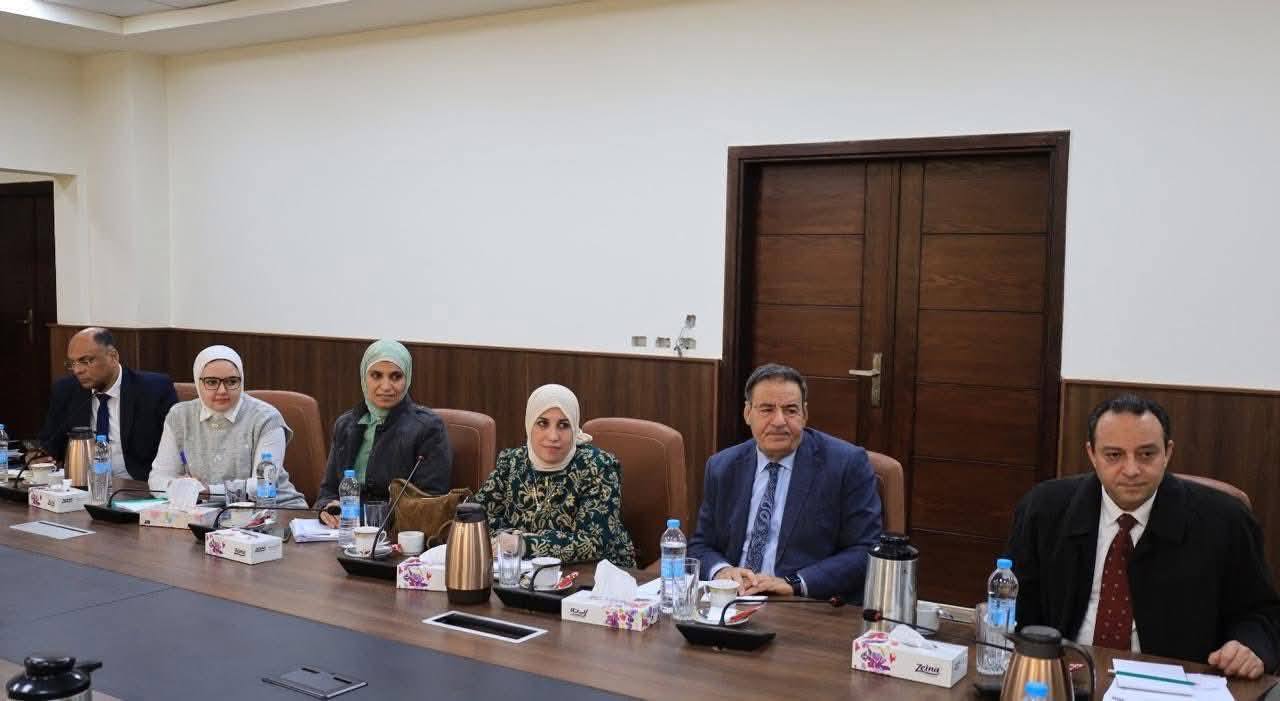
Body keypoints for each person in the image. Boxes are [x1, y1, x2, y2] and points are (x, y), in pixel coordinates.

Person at [1007, 395, 1280, 678]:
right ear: (1092, 454)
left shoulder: (1225, 520)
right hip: (1064, 677)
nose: (1132, 470)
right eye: (1114, 455)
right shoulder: (1044, 510)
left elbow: (1261, 614)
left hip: (1175, 683)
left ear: (1167, 453)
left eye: (1146, 454)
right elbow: (1013, 603)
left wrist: (1250, 647)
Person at [688, 363, 882, 601]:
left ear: (805, 414)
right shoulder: (722, 466)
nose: (779, 421)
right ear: (747, 413)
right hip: (733, 598)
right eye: (767, 409)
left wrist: (795, 584)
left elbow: (866, 550)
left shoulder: (846, 464)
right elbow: (701, 545)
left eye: (790, 410)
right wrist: (722, 571)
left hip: (801, 603)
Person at [472, 384, 636, 567]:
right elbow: (478, 519)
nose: (553, 436)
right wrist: (505, 541)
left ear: (574, 428)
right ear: (529, 424)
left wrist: (525, 544)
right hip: (524, 573)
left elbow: (596, 542)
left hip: (597, 574)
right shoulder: (511, 462)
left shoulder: (598, 467)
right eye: (543, 423)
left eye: (563, 425)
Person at [148, 345, 306, 507]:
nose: (222, 390)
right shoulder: (179, 416)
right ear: (197, 382)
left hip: (275, 509)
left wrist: (207, 492)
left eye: (231, 381)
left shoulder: (267, 419)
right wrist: (177, 487)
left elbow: (264, 485)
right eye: (211, 382)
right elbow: (158, 478)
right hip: (206, 511)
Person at [317, 340, 451, 526]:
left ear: (407, 378)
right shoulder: (345, 424)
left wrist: (360, 516)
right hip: (342, 531)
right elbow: (328, 492)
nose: (386, 386)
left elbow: (429, 503)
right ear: (364, 378)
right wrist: (328, 509)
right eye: (376, 375)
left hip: (398, 534)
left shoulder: (428, 428)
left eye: (396, 376)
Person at [39, 327, 178, 481]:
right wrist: (40, 456)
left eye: (86, 361)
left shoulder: (154, 389)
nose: (77, 370)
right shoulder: (66, 390)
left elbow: (177, 448)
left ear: (113, 356)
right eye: (73, 363)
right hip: (83, 484)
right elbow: (49, 446)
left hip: (138, 486)